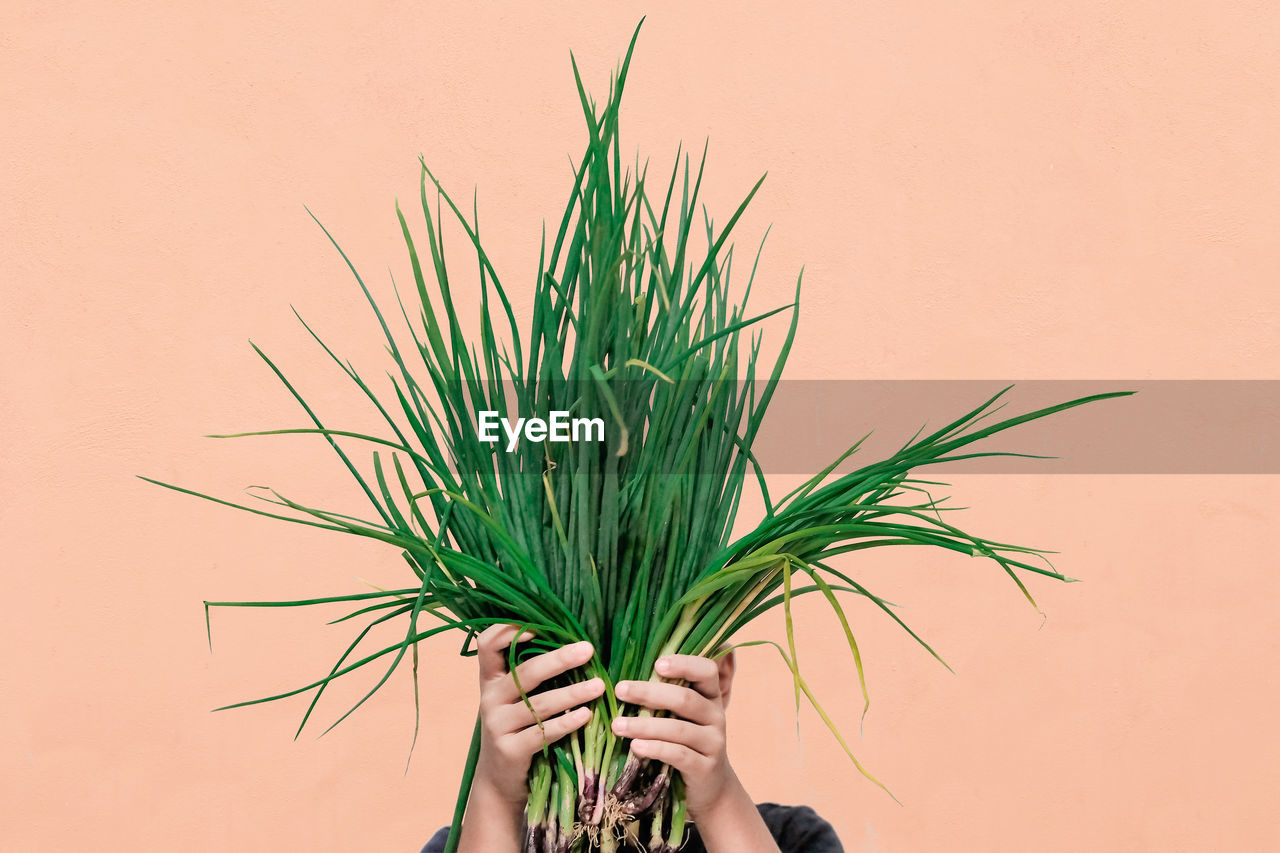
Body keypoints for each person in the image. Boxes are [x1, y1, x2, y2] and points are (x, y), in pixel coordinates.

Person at [419, 623, 843, 853]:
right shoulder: (459, 846)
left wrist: (718, 801)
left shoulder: (791, 840)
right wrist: (495, 793)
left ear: (719, 674)